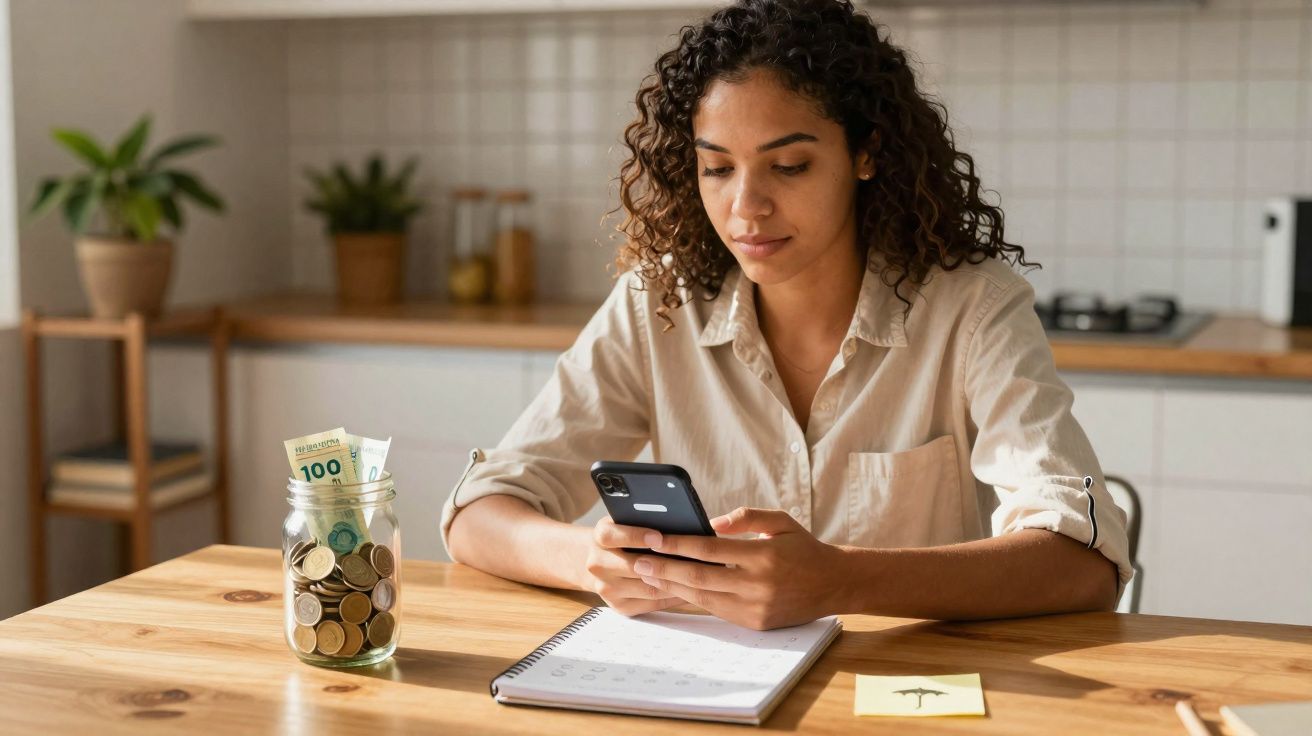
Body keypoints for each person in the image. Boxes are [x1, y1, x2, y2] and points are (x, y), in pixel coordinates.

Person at [441, 0, 1131, 631]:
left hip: (908, 691)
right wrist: (593, 560)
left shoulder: (972, 308)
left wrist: (843, 580)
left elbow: (1083, 562)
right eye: (717, 169)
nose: (746, 207)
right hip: (713, 691)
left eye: (790, 166)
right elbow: (477, 513)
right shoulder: (659, 303)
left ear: (866, 153)